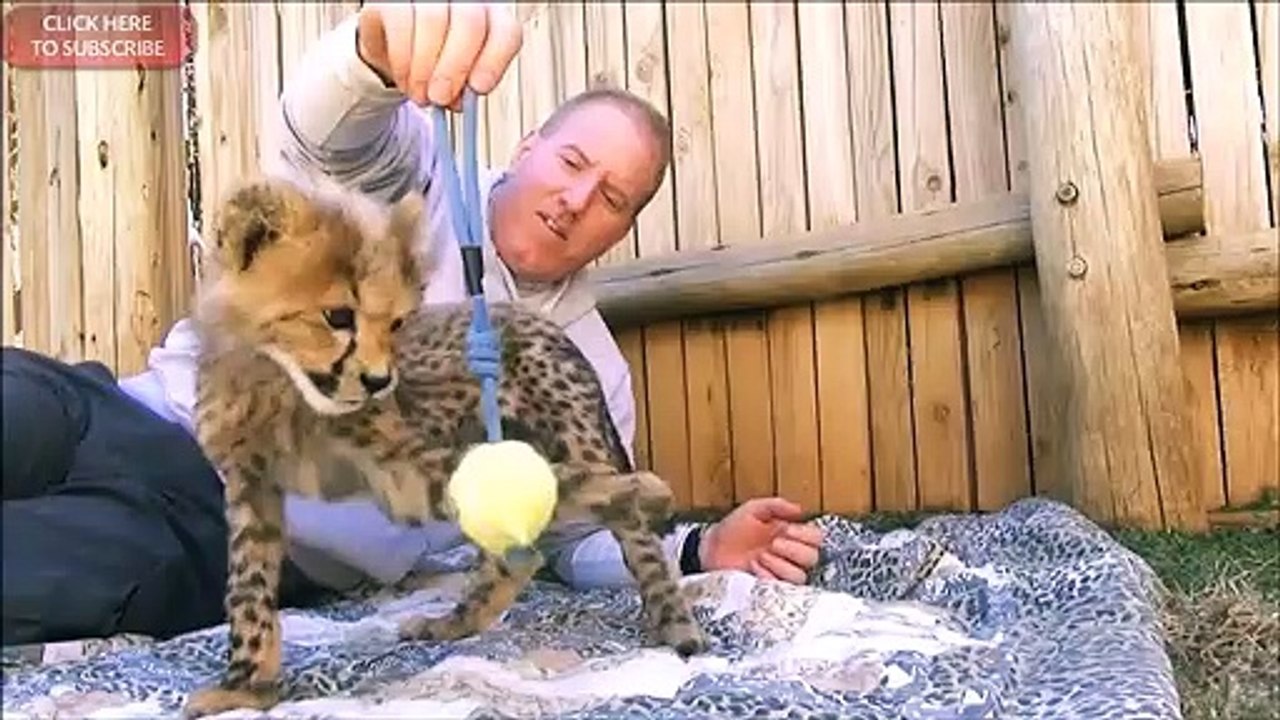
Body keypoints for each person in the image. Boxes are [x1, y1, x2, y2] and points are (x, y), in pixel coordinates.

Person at [1, 2, 823, 648]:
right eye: (573, 163)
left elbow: (576, 540)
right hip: (116, 408)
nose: (577, 200)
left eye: (612, 197)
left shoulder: (591, 373)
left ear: (625, 227)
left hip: (217, 532)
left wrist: (698, 550)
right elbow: (328, 137)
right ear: (528, 147)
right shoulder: (416, 177)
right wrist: (373, 53)